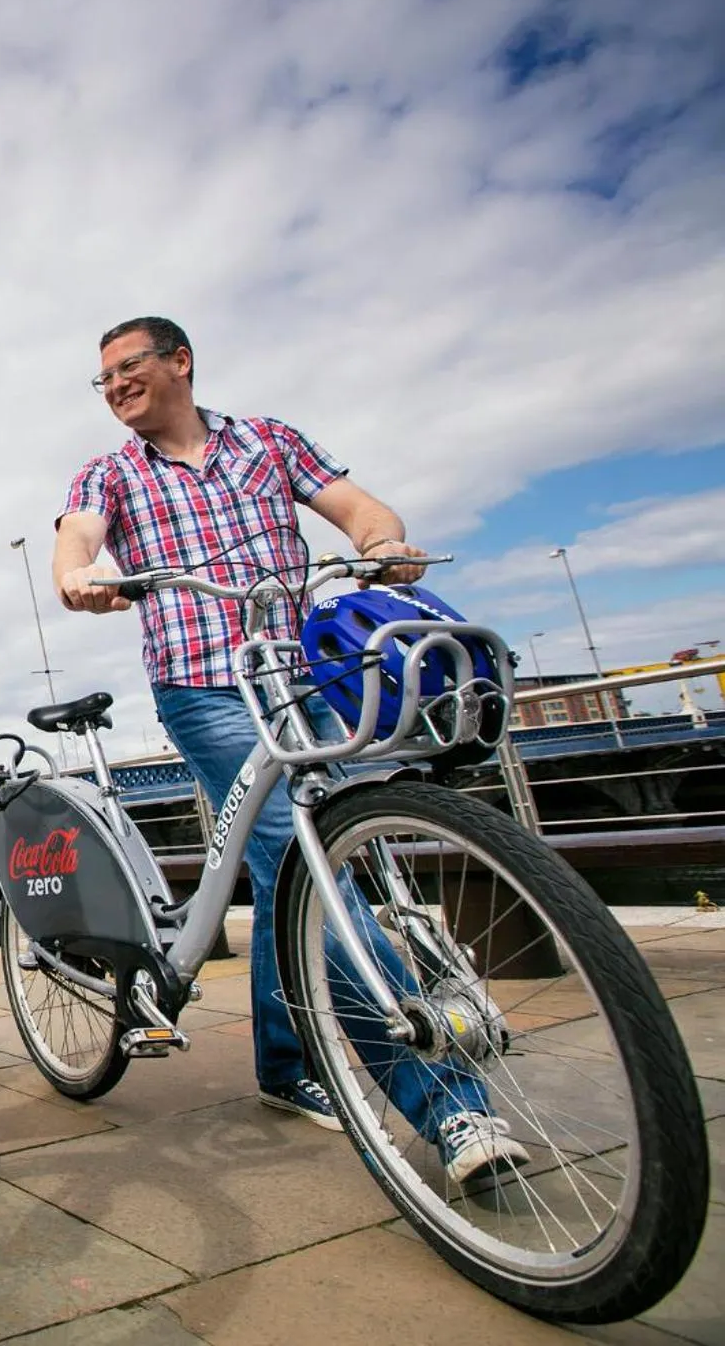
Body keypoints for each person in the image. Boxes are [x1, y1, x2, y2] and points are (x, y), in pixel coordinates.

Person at [52, 317, 529, 1184]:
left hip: (301, 675)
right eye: (105, 379)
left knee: (298, 868)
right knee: (297, 851)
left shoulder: (270, 441)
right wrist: (78, 574)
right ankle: (452, 1105)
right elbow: (77, 535)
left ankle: (283, 1062)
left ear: (180, 362)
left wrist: (381, 543)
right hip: (203, 685)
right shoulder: (111, 471)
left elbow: (358, 507)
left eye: (129, 368)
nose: (117, 386)